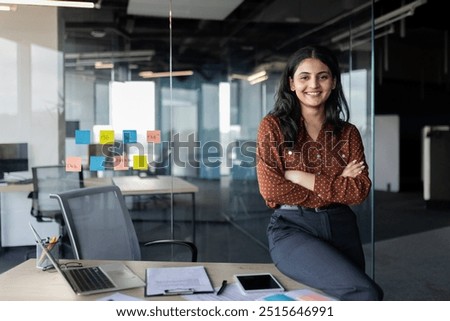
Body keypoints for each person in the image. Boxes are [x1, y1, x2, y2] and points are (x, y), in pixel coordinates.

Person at [256, 45, 383, 301]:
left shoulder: (348, 133)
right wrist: (337, 185)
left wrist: (299, 176)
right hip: (293, 228)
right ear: (292, 83)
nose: (313, 84)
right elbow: (271, 189)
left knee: (342, 301)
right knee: (366, 293)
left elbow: (359, 190)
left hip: (342, 227)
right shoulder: (273, 127)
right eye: (304, 77)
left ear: (333, 82)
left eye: (322, 76)